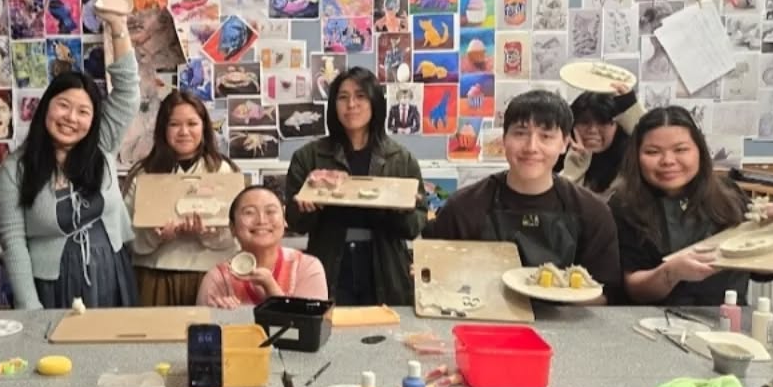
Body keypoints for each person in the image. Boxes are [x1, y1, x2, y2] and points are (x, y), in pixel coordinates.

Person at [0, 7, 139, 309]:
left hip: (110, 272)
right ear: (46, 107)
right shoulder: (15, 169)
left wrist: (118, 27)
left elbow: (127, 91)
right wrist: (31, 310)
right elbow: (14, 243)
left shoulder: (102, 144)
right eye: (63, 106)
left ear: (93, 120)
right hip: (52, 285)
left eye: (84, 111)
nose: (72, 118)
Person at [429, 89, 620, 301]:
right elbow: (436, 280)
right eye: (520, 133)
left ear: (565, 143)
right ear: (504, 140)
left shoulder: (592, 212)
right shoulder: (463, 207)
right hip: (484, 321)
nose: (531, 147)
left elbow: (605, 292)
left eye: (546, 136)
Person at [611, 107, 773, 305]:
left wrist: (771, 232)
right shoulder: (623, 205)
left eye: (681, 150)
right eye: (653, 152)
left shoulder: (729, 194)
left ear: (699, 151)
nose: (668, 161)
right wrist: (671, 272)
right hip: (654, 323)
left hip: (729, 319)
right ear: (636, 156)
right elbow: (633, 290)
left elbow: (762, 273)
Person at [284, 67, 427, 306]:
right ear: (333, 105)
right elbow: (295, 222)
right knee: (329, 333)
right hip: (329, 263)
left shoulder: (400, 158)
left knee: (384, 335)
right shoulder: (308, 157)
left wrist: (404, 210)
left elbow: (414, 227)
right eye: (343, 97)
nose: (352, 104)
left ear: (374, 102)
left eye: (360, 96)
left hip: (384, 266)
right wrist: (306, 208)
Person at [124, 91, 241, 306]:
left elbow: (238, 231)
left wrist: (209, 234)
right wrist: (155, 236)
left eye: (192, 124)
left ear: (204, 127)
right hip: (155, 276)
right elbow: (126, 233)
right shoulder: (144, 173)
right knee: (159, 336)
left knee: (208, 336)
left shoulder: (224, 171)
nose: (184, 132)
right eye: (174, 124)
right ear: (163, 129)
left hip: (211, 275)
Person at [197, 186, 328, 308]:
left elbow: (309, 327)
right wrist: (219, 316)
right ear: (232, 228)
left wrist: (269, 285)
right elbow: (201, 329)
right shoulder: (218, 278)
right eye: (249, 212)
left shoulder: (307, 267)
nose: (261, 220)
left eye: (270, 211)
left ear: (284, 221)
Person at [555, 82, 645, 197]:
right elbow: (556, 207)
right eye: (584, 121)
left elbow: (655, 141)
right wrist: (573, 170)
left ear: (617, 126)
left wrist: (631, 109)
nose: (592, 130)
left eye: (603, 122)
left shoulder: (630, 163)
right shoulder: (555, 157)